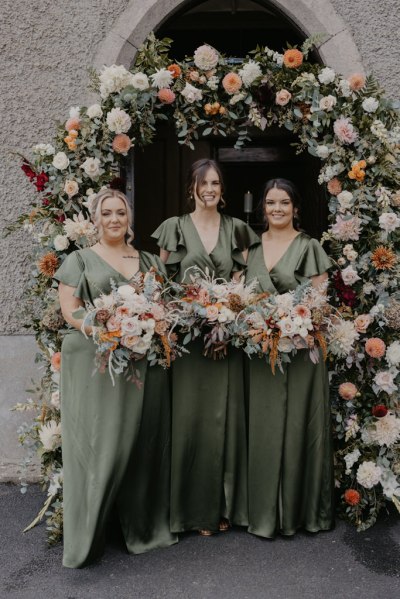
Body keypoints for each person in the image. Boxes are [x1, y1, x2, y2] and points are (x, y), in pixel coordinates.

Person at [55, 188, 177, 568]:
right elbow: (69, 311)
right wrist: (105, 330)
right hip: (97, 361)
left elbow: (163, 306)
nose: (113, 219)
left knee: (142, 441)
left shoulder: (146, 260)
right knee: (102, 443)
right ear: (95, 220)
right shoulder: (80, 260)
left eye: (119, 213)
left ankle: (141, 526)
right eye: (106, 213)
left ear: (129, 219)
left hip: (143, 364)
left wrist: (150, 325)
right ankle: (91, 531)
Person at [152, 158, 260, 535]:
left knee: (227, 420)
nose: (210, 189)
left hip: (225, 339)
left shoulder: (238, 229)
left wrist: (231, 309)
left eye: (216, 182)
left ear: (222, 188)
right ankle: (190, 512)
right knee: (190, 420)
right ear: (192, 187)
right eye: (204, 183)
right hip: (189, 344)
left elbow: (250, 282)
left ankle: (226, 506)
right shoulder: (173, 228)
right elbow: (157, 284)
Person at [244, 178, 334, 538]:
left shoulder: (308, 246)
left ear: (295, 208)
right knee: (262, 430)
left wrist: (294, 324)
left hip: (299, 353)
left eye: (284, 203)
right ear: (263, 208)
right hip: (260, 354)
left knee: (298, 428)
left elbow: (320, 301)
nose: (277, 209)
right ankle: (262, 512)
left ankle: (299, 512)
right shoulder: (250, 247)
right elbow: (241, 294)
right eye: (270, 203)